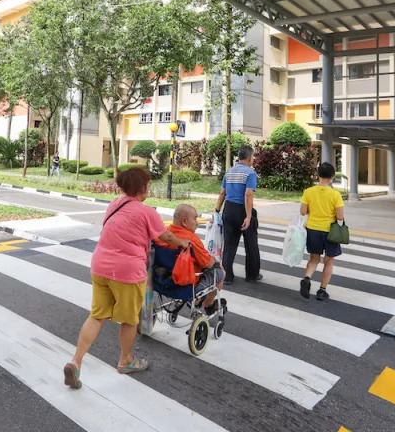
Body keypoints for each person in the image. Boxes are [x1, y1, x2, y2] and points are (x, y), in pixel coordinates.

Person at [64, 167, 189, 389]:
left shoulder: (114, 204)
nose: (148, 188)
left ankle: (76, 361)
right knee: (130, 320)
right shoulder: (146, 212)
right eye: (147, 185)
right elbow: (166, 236)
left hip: (100, 266)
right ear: (142, 188)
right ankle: (126, 360)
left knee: (97, 316)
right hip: (127, 272)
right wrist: (182, 243)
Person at [153, 204, 225, 312]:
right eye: (195, 218)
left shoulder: (163, 236)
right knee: (220, 272)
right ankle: (207, 303)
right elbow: (208, 263)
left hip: (163, 281)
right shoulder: (191, 240)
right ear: (184, 221)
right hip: (187, 283)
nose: (197, 222)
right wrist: (216, 261)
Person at [215, 145, 261, 285]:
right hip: (243, 210)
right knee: (251, 244)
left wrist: (217, 209)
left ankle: (227, 276)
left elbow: (223, 193)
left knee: (229, 244)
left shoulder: (229, 172)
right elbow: (248, 195)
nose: (253, 159)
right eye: (253, 157)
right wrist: (248, 216)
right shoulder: (250, 173)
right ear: (249, 158)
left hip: (228, 210)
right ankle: (252, 275)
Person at [300, 162, 345, 301]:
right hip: (330, 232)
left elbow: (303, 212)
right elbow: (340, 216)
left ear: (318, 175)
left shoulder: (308, 192)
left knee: (314, 259)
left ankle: (307, 278)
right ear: (332, 176)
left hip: (313, 229)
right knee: (329, 261)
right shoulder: (335, 194)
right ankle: (322, 290)